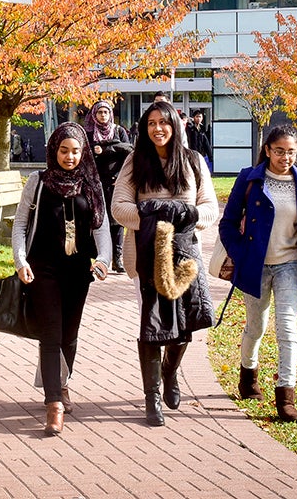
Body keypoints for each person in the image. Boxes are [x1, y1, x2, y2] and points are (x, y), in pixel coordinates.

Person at [111, 101, 218, 427]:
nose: (158, 128)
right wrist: (153, 215)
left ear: (175, 125)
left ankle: (170, 372)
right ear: (145, 127)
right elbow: (119, 207)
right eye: (152, 123)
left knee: (183, 327)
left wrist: (186, 215)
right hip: (146, 259)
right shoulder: (135, 162)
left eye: (164, 122)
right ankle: (152, 397)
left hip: (185, 257)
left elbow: (210, 208)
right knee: (153, 326)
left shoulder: (193, 162)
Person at [11, 122, 111, 436]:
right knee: (51, 335)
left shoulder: (91, 185)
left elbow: (102, 229)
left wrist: (104, 260)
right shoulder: (38, 181)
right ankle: (53, 404)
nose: (69, 157)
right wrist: (20, 260)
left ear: (83, 152)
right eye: (64, 150)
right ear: (54, 150)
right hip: (43, 270)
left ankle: (61, 384)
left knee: (69, 335)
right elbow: (20, 225)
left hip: (78, 271)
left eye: (75, 151)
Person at [217, 124, 297, 424]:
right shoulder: (249, 180)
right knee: (256, 327)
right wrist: (241, 255)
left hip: (291, 264)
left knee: (287, 330)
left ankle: (286, 397)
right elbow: (227, 224)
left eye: (291, 152)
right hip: (256, 265)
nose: (285, 157)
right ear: (267, 150)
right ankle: (248, 377)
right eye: (279, 151)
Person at [84, 99, 132, 273]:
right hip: (96, 184)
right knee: (98, 219)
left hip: (116, 183)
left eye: (106, 112)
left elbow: (129, 152)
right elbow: (86, 155)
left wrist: (105, 150)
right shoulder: (89, 133)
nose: (103, 116)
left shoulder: (119, 131)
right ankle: (101, 256)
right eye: (99, 112)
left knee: (117, 221)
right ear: (94, 115)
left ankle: (117, 258)